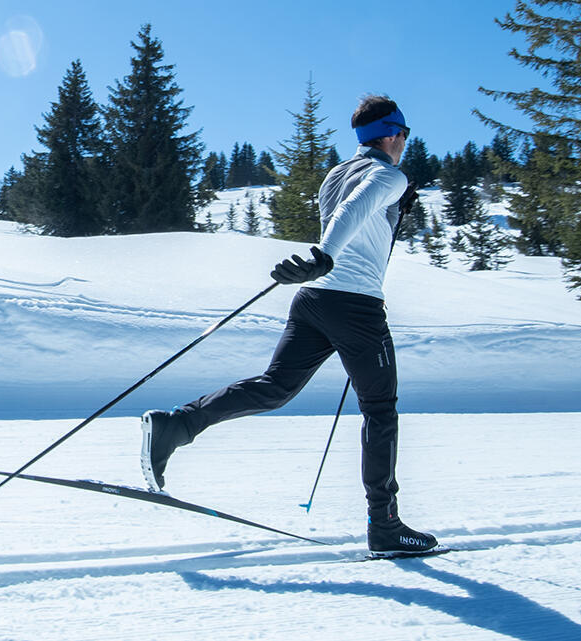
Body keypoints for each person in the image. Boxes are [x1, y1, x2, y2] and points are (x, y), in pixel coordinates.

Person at [139, 95, 437, 555]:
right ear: (395, 133)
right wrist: (327, 254)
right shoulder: (387, 175)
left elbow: (356, 209)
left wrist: (394, 210)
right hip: (355, 306)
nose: (405, 145)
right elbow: (353, 211)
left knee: (275, 386)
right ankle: (386, 525)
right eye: (406, 136)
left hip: (314, 300)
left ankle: (176, 426)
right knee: (380, 412)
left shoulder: (338, 173)